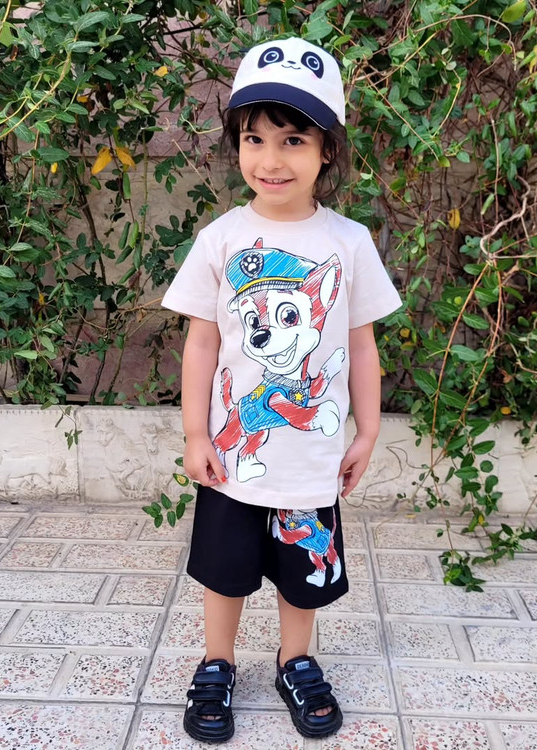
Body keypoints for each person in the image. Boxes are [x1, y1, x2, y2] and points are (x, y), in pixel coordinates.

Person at [161, 36, 402, 743]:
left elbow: (362, 344)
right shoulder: (220, 239)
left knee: (305, 572)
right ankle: (217, 662)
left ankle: (296, 660)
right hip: (233, 455)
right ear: (237, 144)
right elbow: (201, 343)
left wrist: (367, 430)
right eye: (254, 138)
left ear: (327, 150)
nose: (271, 159)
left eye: (293, 139)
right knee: (225, 571)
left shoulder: (349, 243)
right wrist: (197, 434)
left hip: (312, 459)